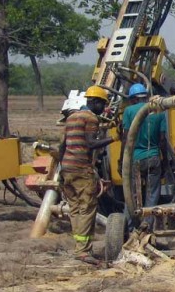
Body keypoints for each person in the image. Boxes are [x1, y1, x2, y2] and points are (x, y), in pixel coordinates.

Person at [59, 85, 112, 266]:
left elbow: (62, 146)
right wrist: (114, 138)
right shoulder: (90, 118)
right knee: (88, 208)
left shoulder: (71, 117)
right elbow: (90, 144)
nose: (104, 108)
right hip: (81, 169)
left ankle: (79, 247)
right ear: (95, 102)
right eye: (102, 104)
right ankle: (83, 251)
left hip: (67, 169)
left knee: (75, 209)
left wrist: (61, 171)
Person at [121, 83, 167, 229]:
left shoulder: (128, 111)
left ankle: (130, 227)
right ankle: (148, 225)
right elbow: (162, 140)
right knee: (152, 194)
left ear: (133, 99)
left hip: (134, 158)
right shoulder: (158, 111)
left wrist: (121, 160)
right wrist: (164, 160)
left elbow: (126, 137)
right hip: (153, 158)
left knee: (133, 194)